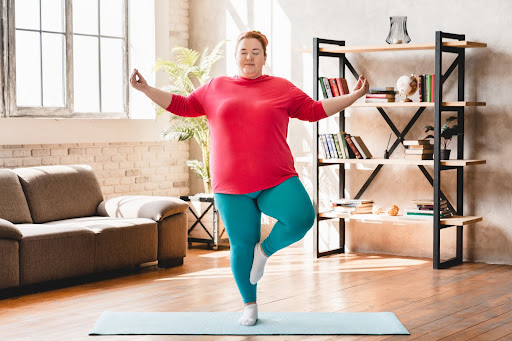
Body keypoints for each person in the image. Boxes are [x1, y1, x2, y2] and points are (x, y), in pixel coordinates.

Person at [130, 30, 369, 326]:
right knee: (241, 245)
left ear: (265, 58)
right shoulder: (215, 87)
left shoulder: (281, 87)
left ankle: (264, 251)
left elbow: (314, 110)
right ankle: (250, 306)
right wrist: (147, 90)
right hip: (230, 184)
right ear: (236, 56)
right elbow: (182, 105)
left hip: (276, 177)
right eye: (244, 51)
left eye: (256, 52)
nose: (249, 57)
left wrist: (354, 96)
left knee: (302, 217)